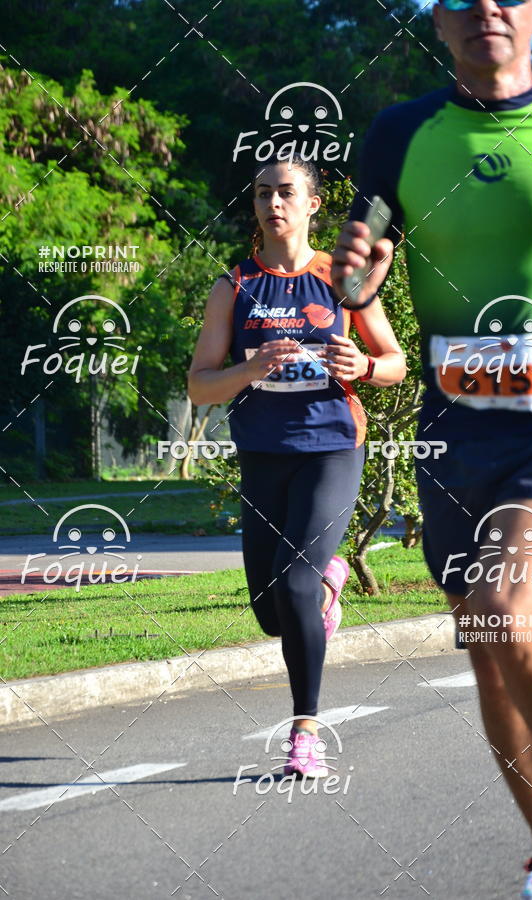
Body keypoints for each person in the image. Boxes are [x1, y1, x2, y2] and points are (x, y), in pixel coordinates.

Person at [332, 1, 532, 897]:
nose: (486, 7)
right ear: (436, 22)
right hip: (455, 430)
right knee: (484, 638)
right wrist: (360, 279)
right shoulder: (402, 132)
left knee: (507, 603)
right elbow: (366, 260)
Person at [188, 154, 405, 778]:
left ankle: (304, 733)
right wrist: (249, 370)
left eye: (286, 192)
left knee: (296, 586)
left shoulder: (342, 281)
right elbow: (200, 386)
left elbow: (393, 363)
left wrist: (361, 367)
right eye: (262, 194)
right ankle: (330, 576)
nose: (272, 203)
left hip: (332, 446)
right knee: (269, 609)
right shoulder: (234, 286)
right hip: (262, 452)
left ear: (312, 204)